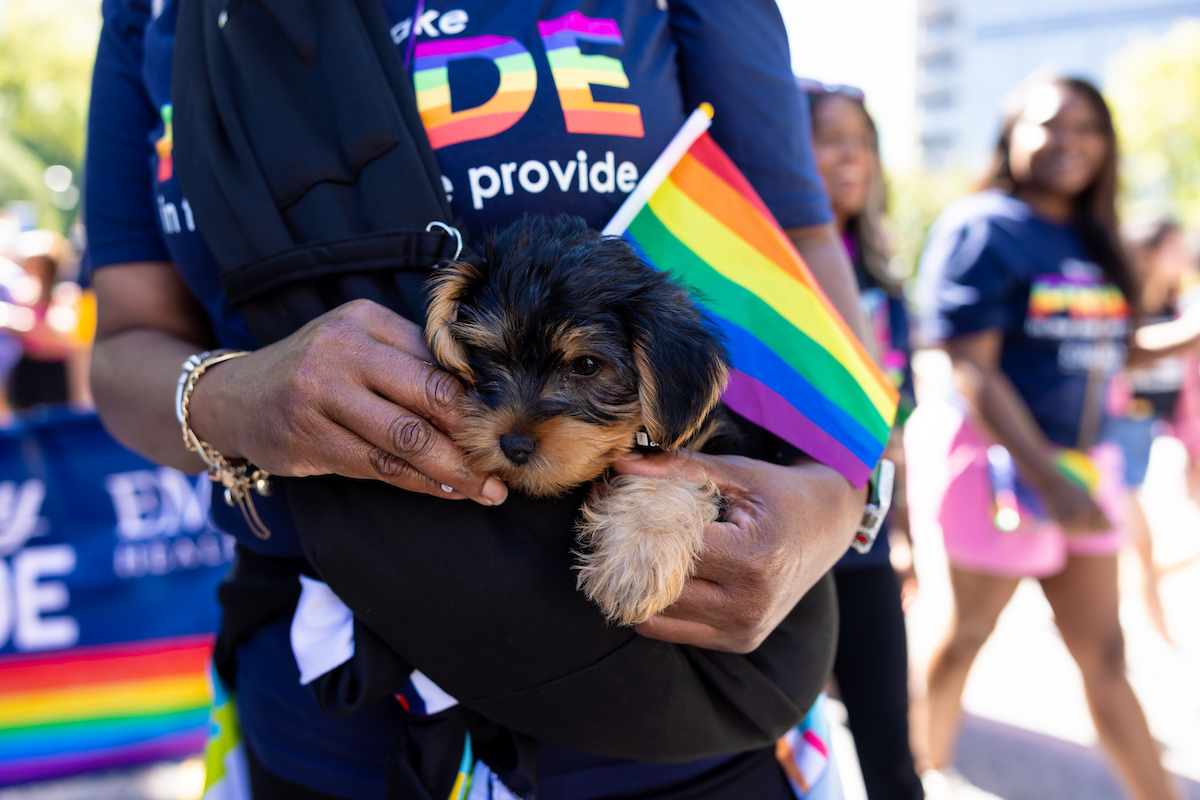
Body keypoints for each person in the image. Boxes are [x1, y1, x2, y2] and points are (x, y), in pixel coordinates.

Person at [85, 1, 875, 798]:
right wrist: (236, 396)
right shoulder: (151, 13)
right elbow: (125, 341)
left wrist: (843, 498)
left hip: (671, 705)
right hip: (330, 698)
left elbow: (802, 247)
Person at [911, 76, 1181, 800]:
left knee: (1106, 654)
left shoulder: (1092, 236)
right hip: (1001, 466)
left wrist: (1185, 333)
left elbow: (1104, 348)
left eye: (1088, 127)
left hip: (1084, 470)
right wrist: (1050, 480)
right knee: (966, 637)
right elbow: (971, 364)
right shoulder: (983, 225)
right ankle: (921, 769)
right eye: (1050, 125)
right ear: (1011, 135)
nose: (1070, 142)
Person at [804, 79, 923, 800]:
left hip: (866, 545)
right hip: (789, 537)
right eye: (829, 137)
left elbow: (899, 428)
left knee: (889, 752)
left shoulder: (883, 279)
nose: (851, 156)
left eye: (863, 140)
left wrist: (906, 538)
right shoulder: (756, 266)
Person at [1103, 218, 1200, 642]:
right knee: (1138, 547)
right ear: (1145, 254)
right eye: (1172, 247)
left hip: (1154, 435)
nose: (1182, 256)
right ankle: (1159, 632)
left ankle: (1136, 604)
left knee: (1142, 550)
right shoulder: (1119, 304)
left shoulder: (1177, 305)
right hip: (1115, 437)